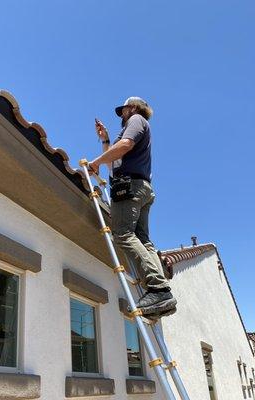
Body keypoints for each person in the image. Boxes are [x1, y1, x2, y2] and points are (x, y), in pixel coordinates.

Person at [89, 97, 177, 318]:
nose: (122, 114)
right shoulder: (134, 127)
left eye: (124, 109)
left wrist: (96, 162)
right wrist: (105, 140)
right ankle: (161, 293)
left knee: (123, 234)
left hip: (130, 187)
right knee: (143, 240)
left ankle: (158, 289)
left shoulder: (137, 120)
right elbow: (115, 162)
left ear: (134, 108)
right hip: (142, 188)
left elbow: (125, 146)